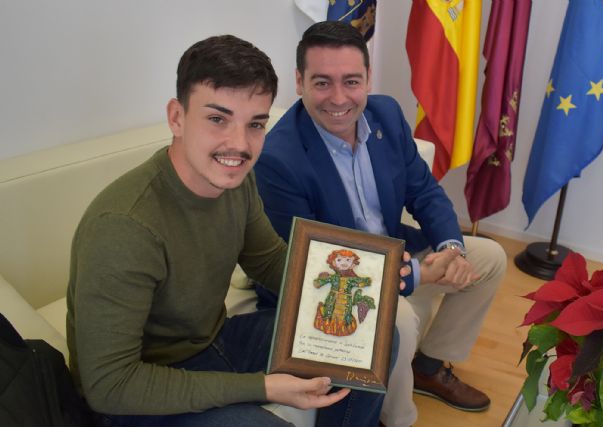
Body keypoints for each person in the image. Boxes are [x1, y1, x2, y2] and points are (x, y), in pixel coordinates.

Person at [66, 34, 407, 427]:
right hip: (137, 396)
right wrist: (264, 387)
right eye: (217, 119)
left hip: (214, 342)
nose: (239, 144)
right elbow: (110, 386)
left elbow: (272, 263)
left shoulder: (236, 181)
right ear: (177, 117)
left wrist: (362, 283)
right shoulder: (125, 227)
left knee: (373, 345)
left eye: (255, 124)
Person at [254, 21, 507, 427]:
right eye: (322, 83)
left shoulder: (386, 113)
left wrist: (450, 250)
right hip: (331, 283)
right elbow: (317, 267)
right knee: (398, 322)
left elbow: (424, 191)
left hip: (395, 249)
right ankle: (396, 418)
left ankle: (428, 364)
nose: (339, 98)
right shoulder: (277, 159)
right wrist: (420, 274)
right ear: (299, 82)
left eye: (351, 81)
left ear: (368, 78)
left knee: (489, 257)